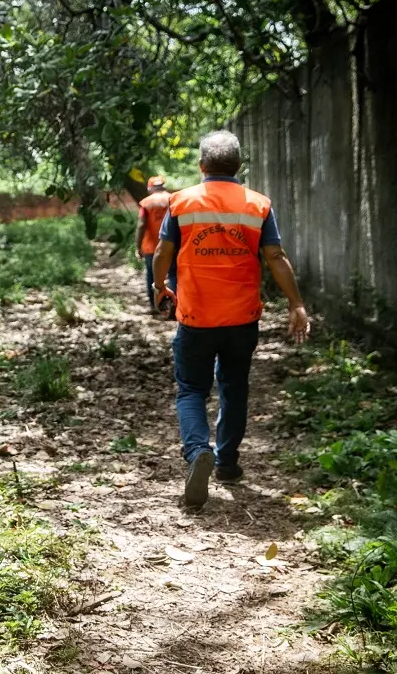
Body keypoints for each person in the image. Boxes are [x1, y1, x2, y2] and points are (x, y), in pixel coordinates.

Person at [151, 130, 310, 509]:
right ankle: (227, 464)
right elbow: (275, 257)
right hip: (241, 318)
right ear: (239, 166)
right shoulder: (257, 205)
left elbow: (162, 250)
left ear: (201, 165)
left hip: (196, 316)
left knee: (191, 389)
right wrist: (296, 304)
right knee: (234, 386)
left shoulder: (181, 202)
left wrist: (160, 285)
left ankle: (196, 454)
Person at [136, 176, 177, 312]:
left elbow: (141, 224)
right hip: (172, 245)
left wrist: (138, 246)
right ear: (164, 186)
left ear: (150, 189)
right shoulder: (173, 199)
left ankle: (155, 307)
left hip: (151, 246)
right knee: (173, 274)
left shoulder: (146, 203)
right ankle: (174, 306)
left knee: (152, 275)